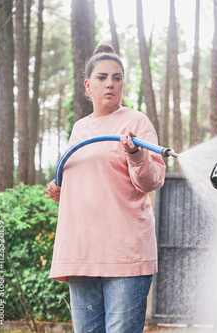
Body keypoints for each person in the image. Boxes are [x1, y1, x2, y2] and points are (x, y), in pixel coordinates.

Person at [47, 44, 166, 333]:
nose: (110, 84)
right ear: (88, 85)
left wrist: (136, 154)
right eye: (102, 77)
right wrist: (61, 186)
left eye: (117, 77)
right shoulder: (79, 129)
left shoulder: (136, 122)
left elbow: (152, 181)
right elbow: (91, 177)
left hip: (124, 254)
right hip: (81, 252)